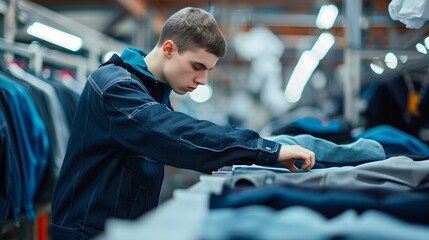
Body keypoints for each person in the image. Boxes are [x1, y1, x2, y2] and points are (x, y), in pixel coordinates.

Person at [50, 6, 315, 240]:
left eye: (207, 71)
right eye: (197, 66)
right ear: (168, 49)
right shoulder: (114, 87)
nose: (202, 80)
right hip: (86, 233)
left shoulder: (152, 93)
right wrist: (266, 150)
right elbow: (176, 133)